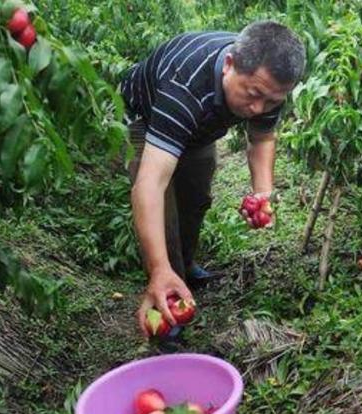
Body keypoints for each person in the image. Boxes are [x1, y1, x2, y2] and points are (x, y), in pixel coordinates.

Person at [119, 21, 306, 336]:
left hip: (200, 126)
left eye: (272, 102)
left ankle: (186, 265)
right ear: (229, 65)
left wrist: (263, 195)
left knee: (196, 197)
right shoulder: (185, 83)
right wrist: (160, 269)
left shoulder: (268, 85)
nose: (259, 108)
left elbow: (261, 139)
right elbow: (149, 185)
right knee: (164, 215)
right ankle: (166, 294)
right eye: (253, 95)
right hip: (145, 118)